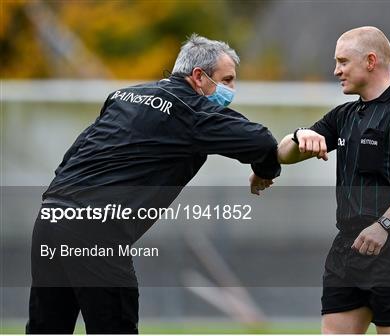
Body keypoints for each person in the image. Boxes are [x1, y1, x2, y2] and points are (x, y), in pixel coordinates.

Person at [26, 34, 280, 334]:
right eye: (227, 80)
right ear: (199, 77)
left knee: (46, 329)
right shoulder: (190, 110)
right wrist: (265, 171)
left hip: (50, 218)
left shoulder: (123, 97)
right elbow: (261, 140)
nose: (231, 90)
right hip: (96, 231)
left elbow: (69, 161)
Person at [277, 26, 390, 334]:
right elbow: (283, 155)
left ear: (370, 61)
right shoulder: (344, 116)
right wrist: (300, 136)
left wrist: (383, 226)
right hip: (348, 247)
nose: (336, 70)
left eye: (342, 61)